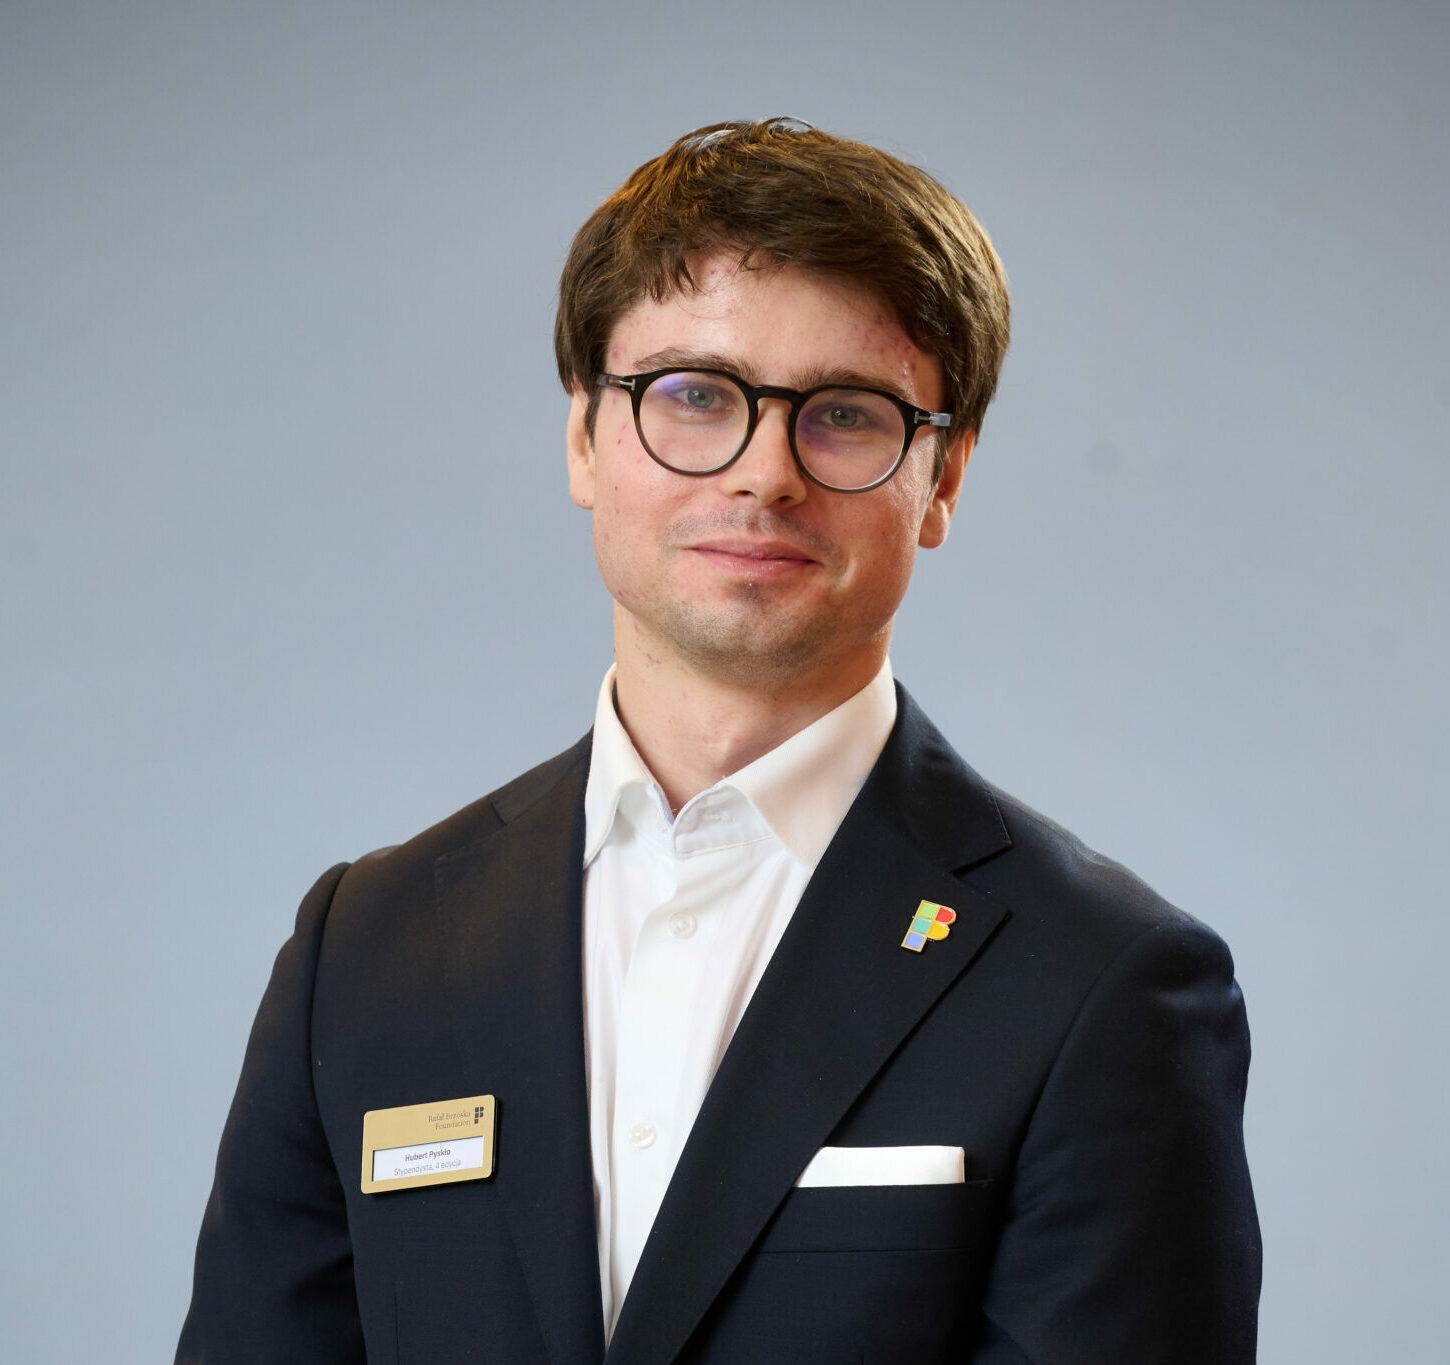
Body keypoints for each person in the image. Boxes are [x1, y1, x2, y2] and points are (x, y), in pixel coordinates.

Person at [178, 117, 1261, 1364]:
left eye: (844, 414)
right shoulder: (366, 947)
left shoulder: (1099, 979)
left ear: (945, 477)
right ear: (584, 438)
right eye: (694, 396)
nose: (763, 474)